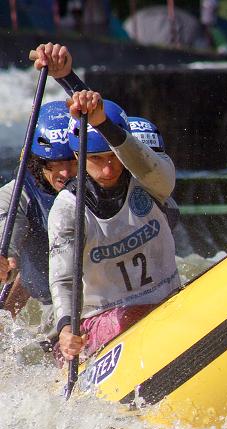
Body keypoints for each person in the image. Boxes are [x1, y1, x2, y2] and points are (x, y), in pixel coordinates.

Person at [49, 92, 180, 364]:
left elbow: (162, 177)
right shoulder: (68, 208)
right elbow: (64, 278)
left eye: (113, 157)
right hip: (103, 317)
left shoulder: (149, 179)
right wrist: (66, 328)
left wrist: (102, 123)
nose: (108, 170)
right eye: (97, 159)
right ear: (78, 155)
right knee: (130, 317)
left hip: (168, 301)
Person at [0, 101, 76, 323]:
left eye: (72, 161)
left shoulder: (103, 175)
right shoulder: (17, 194)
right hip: (56, 305)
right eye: (54, 163)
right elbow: (5, 229)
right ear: (37, 161)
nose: (65, 173)